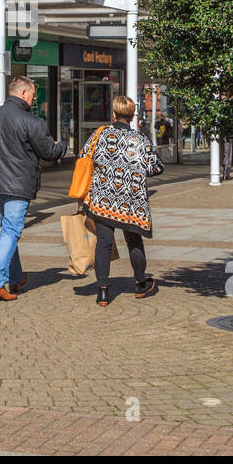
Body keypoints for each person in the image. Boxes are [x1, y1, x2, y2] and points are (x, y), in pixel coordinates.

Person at [0, 75, 67, 302]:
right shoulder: (31, 121)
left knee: (7, 231)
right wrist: (63, 145)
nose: (33, 99)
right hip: (18, 185)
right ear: (23, 93)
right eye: (32, 95)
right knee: (11, 232)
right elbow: (49, 153)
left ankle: (16, 276)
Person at [85, 95, 164, 306]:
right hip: (131, 201)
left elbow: (85, 157)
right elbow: (156, 167)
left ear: (114, 114)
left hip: (103, 199)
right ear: (131, 116)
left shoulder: (99, 135)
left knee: (103, 243)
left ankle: (102, 291)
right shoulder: (140, 140)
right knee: (134, 241)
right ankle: (140, 283)